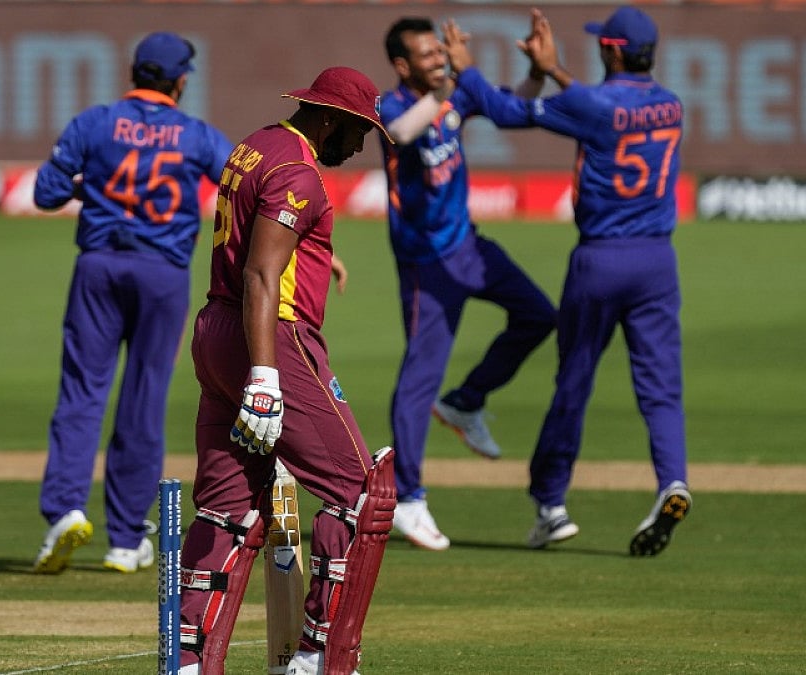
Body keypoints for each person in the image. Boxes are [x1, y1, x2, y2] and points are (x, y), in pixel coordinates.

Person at [175, 66, 396, 675]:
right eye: (356, 132)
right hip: (272, 340)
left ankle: (188, 661)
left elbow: (255, 246)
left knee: (228, 507)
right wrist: (266, 379)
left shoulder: (256, 145)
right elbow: (260, 274)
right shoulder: (299, 170)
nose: (357, 148)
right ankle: (319, 656)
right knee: (364, 498)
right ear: (328, 118)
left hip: (216, 334)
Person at [449, 6, 691, 555]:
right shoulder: (672, 105)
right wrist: (558, 73)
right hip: (658, 261)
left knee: (575, 382)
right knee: (662, 389)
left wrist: (469, 69)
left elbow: (504, 112)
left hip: (601, 261)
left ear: (610, 50)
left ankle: (551, 502)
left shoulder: (590, 105)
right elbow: (599, 106)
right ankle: (672, 480)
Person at [29, 32, 232, 575]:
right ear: (180, 80)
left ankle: (65, 512)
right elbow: (244, 187)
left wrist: (90, 188)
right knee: (144, 398)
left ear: (134, 71)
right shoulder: (196, 135)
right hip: (162, 274)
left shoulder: (94, 123)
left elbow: (45, 193)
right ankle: (124, 538)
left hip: (98, 267)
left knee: (81, 392)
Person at [377, 16, 557, 551]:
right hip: (425, 262)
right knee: (418, 377)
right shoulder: (390, 105)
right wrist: (449, 85)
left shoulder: (454, 93)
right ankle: (407, 499)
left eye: (442, 51)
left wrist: (535, 72)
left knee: (540, 316)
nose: (438, 58)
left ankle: (467, 400)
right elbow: (405, 133)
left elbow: (512, 106)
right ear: (403, 65)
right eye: (427, 54)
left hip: (468, 247)